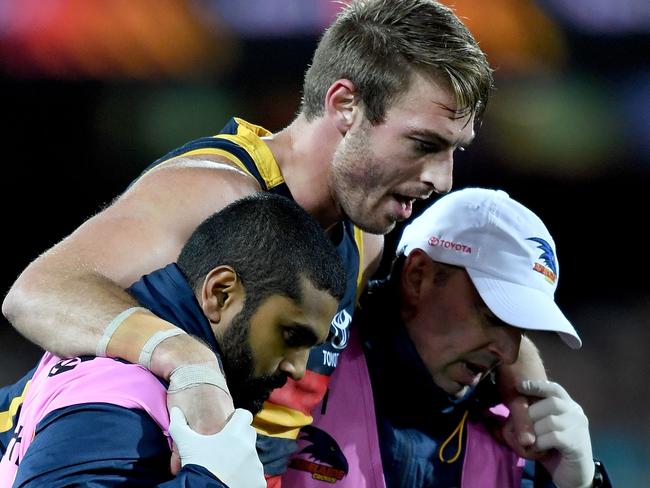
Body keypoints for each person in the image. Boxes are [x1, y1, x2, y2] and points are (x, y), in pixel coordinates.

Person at [1, 0, 546, 483]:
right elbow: (38, 292)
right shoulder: (213, 192)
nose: (442, 179)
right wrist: (185, 358)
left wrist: (520, 375)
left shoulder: (366, 234)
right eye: (423, 144)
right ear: (345, 105)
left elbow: (427, 315)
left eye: (455, 150)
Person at [0, 193, 347, 487]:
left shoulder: (108, 349)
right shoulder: (127, 398)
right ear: (220, 293)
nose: (299, 369)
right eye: (290, 335)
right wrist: (209, 481)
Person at [283, 188, 612, 487]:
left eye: (521, 328)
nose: (509, 351)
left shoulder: (524, 450)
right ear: (417, 276)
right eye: (492, 316)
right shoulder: (302, 361)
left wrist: (581, 485)